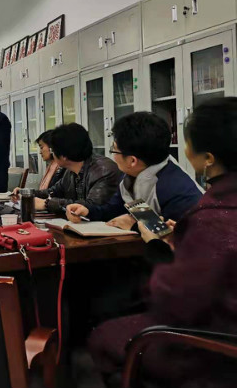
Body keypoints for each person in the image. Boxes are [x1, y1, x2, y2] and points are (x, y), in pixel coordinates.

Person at [89, 97, 237, 388]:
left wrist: (157, 245)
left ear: (207, 158)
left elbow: (175, 299)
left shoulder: (210, 214)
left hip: (213, 347)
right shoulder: (213, 209)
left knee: (103, 335)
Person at [65, 112, 202, 229]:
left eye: (114, 150)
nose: (113, 156)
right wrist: (88, 211)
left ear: (132, 161)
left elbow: (176, 236)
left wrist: (134, 225)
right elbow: (115, 209)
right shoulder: (132, 176)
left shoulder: (176, 190)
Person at [21, 123, 121, 213]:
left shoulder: (104, 170)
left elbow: (91, 206)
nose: (52, 154)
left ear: (64, 155)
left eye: (53, 150)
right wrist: (25, 193)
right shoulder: (70, 171)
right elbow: (53, 191)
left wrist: (47, 204)